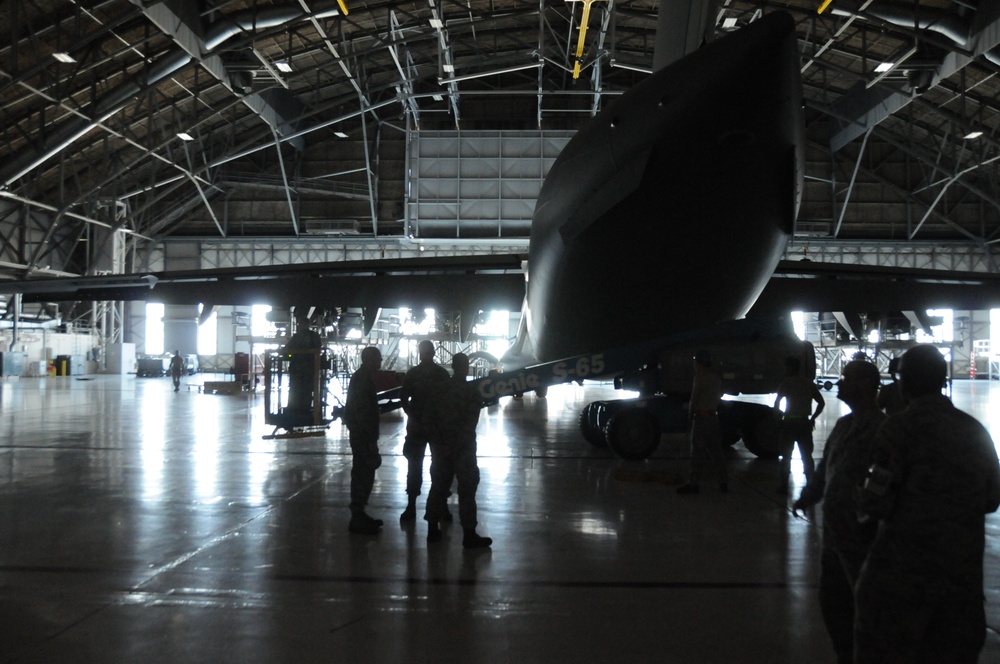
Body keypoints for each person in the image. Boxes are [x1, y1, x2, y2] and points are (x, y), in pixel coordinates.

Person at [854, 344, 1000, 663]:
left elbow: (873, 501)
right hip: (960, 589)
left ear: (906, 381)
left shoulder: (898, 429)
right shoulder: (974, 431)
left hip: (903, 586)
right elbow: (992, 499)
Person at [791, 360, 885, 664]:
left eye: (846, 378)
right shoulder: (845, 425)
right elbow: (825, 468)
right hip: (835, 539)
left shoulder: (884, 430)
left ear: (867, 385)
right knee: (833, 603)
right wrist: (808, 497)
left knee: (867, 608)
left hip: (863, 542)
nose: (839, 383)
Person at [424, 353, 492, 548]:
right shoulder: (471, 392)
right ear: (466, 367)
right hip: (463, 450)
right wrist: (456, 445)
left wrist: (439, 444)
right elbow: (470, 424)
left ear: (453, 366)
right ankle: (469, 533)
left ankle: (432, 529)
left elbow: (428, 419)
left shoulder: (438, 390)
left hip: (441, 449)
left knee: (438, 487)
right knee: (467, 490)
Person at [399, 339, 450, 521]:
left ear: (432, 353)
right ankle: (413, 505)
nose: (425, 356)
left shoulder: (421, 374)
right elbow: (404, 397)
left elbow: (404, 398)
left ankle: (438, 505)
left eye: (427, 352)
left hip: (427, 427)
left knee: (437, 467)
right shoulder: (438, 374)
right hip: (424, 427)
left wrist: (413, 415)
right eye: (423, 353)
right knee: (419, 466)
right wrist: (413, 415)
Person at [343, 346, 385, 535]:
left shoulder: (363, 378)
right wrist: (370, 441)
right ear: (369, 360)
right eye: (378, 359)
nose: (380, 362)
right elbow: (362, 413)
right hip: (363, 436)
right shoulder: (362, 380)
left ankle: (359, 514)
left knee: (364, 472)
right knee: (363, 472)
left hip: (362, 434)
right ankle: (357, 515)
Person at [677, 350, 728, 494]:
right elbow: (720, 395)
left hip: (701, 418)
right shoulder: (716, 378)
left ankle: (694, 484)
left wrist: (690, 414)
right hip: (713, 417)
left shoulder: (700, 378)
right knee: (716, 451)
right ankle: (723, 482)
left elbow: (694, 398)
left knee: (697, 452)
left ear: (699, 363)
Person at [773, 355, 825, 494]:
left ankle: (783, 486)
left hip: (789, 422)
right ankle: (811, 484)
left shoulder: (786, 383)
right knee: (807, 456)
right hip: (804, 423)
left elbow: (777, 403)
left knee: (786, 456)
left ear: (790, 367)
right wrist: (813, 418)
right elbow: (821, 402)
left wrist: (779, 418)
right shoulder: (808, 383)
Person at [284, 314, 322, 414]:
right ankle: (305, 409)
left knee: (296, 389)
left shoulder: (298, 337)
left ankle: (296, 409)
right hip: (309, 368)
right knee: (306, 389)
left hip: (300, 369)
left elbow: (287, 349)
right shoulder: (314, 336)